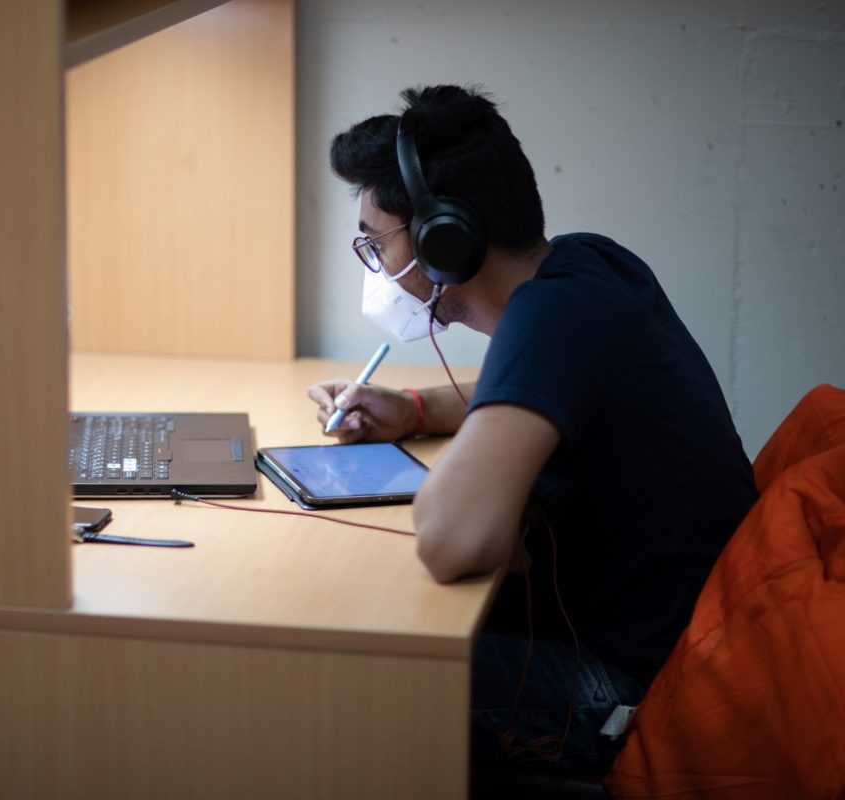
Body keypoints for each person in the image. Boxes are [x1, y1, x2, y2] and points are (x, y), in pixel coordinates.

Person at [309, 84, 758, 774]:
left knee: (344, 674)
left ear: (444, 238)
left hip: (633, 687)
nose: (377, 265)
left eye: (376, 243)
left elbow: (455, 541)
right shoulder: (589, 264)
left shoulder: (549, 320)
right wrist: (416, 410)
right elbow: (542, 394)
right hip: (681, 632)